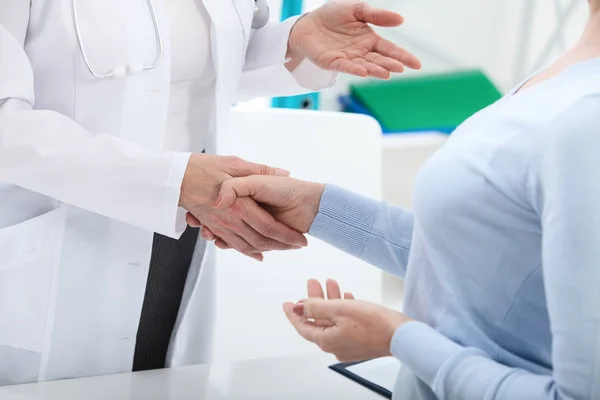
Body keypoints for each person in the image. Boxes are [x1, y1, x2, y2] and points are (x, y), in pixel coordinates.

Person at [0, 0, 422, 385]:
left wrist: (291, 42)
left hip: (179, 231)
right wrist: (174, 179)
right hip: (52, 235)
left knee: (160, 379)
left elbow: (200, 60)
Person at [202, 1, 600, 398]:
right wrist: (318, 209)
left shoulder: (586, 120)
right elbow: (486, 262)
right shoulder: (565, 78)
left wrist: (398, 338)